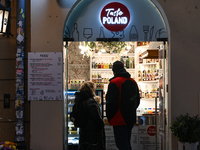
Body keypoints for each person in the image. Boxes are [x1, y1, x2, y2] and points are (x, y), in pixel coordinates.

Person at [106, 60, 140, 150]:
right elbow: (137, 101)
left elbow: (111, 103)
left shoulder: (114, 82)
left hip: (119, 118)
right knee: (126, 144)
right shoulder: (133, 82)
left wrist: (109, 117)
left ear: (114, 71)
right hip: (130, 118)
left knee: (122, 145)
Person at [71, 81, 105, 150]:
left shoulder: (79, 100)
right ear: (91, 89)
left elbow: (73, 115)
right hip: (92, 131)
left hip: (83, 131)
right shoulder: (90, 101)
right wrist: (101, 124)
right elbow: (96, 117)